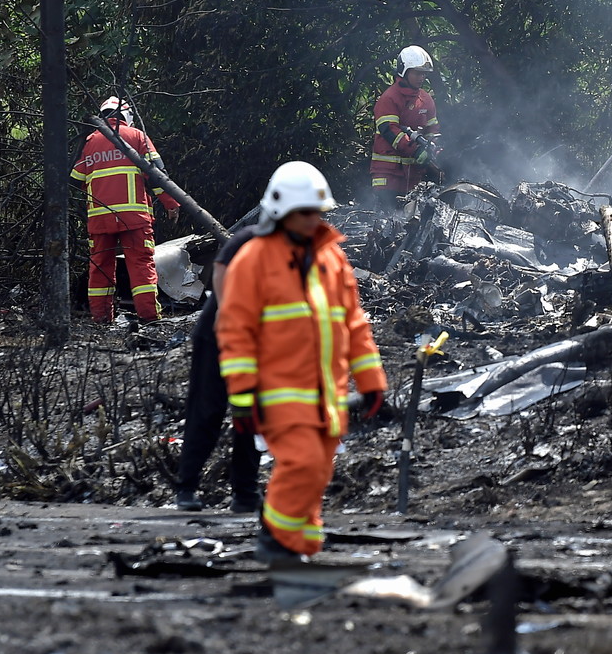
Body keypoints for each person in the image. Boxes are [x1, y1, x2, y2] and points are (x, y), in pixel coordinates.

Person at [217, 161, 387, 563]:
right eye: (304, 212)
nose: (313, 220)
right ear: (279, 210)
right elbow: (235, 332)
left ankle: (300, 546)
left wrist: (372, 382)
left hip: (326, 394)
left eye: (317, 212)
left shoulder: (333, 261)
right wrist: (241, 396)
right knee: (304, 463)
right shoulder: (254, 260)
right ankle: (275, 535)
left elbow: (354, 326)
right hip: (278, 392)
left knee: (317, 470)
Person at [174, 222, 261, 513]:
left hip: (255, 343)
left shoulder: (303, 253)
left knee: (250, 415)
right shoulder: (249, 239)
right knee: (207, 410)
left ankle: (245, 492)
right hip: (216, 337)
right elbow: (221, 277)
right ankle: (186, 488)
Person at [71, 96, 180, 323]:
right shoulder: (137, 136)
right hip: (134, 218)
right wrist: (171, 204)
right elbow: (157, 176)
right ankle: (149, 318)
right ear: (126, 117)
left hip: (99, 219)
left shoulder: (90, 141)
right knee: (140, 266)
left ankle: (101, 320)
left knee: (100, 268)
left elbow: (75, 179)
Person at [370, 45, 442, 207]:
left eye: (424, 73)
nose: (421, 77)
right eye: (417, 72)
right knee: (388, 223)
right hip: (388, 176)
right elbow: (390, 130)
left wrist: (435, 148)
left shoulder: (426, 100)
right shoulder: (389, 98)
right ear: (404, 71)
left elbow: (433, 130)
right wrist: (416, 150)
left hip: (413, 176)